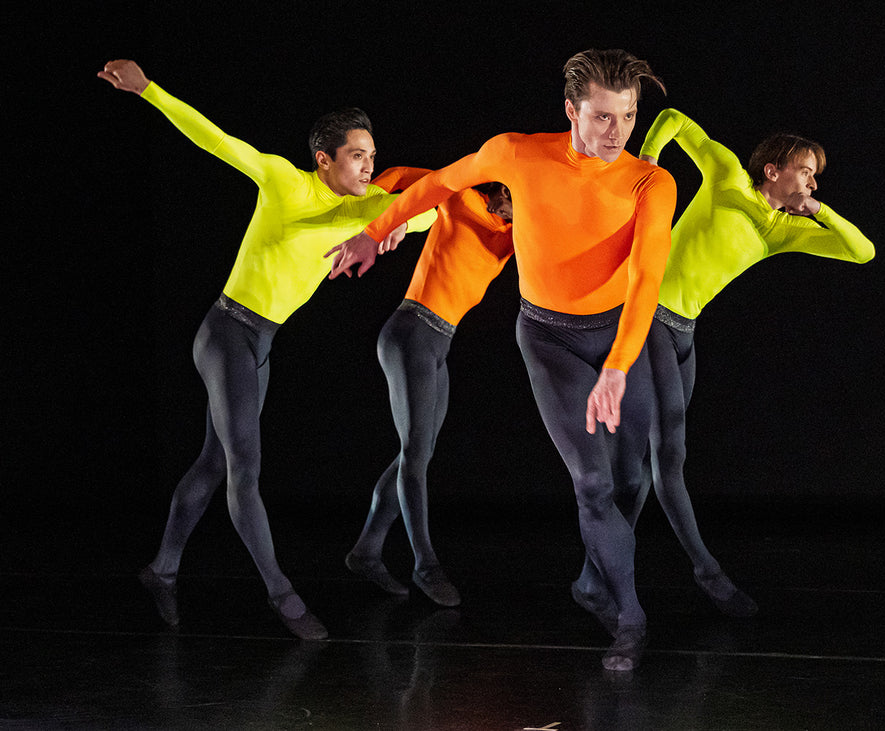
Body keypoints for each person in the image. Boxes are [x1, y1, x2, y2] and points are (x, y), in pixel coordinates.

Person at [326, 49, 677, 671]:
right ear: (571, 110)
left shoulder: (650, 182)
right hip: (549, 338)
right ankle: (629, 619)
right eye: (601, 116)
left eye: (627, 117)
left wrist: (618, 366)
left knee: (633, 479)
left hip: (620, 337)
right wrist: (374, 229)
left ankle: (592, 580)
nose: (616, 132)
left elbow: (648, 275)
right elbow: (437, 182)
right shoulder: (516, 154)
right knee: (593, 483)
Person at [97, 59, 434, 640]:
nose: (369, 166)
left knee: (214, 462)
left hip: (261, 343)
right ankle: (282, 594)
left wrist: (399, 221)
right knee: (244, 469)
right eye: (357, 155)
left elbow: (427, 210)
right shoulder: (285, 180)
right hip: (226, 332)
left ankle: (162, 569)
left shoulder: (365, 204)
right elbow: (217, 141)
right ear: (324, 159)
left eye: (372, 156)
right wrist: (149, 89)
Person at [631, 108, 876, 616]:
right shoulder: (727, 176)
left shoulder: (780, 231)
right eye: (805, 171)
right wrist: (647, 163)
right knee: (667, 454)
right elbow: (673, 118)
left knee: (650, 463)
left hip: (684, 333)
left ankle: (599, 570)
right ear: (773, 169)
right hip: (648, 318)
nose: (812, 182)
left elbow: (863, 252)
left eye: (815, 176)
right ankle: (706, 570)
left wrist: (818, 210)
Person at [343, 168, 514, 607]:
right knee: (416, 452)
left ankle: (366, 550)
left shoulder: (514, 235)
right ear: (502, 189)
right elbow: (406, 177)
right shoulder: (462, 197)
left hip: (439, 342)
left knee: (418, 452)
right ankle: (425, 564)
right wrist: (375, 208)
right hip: (410, 332)